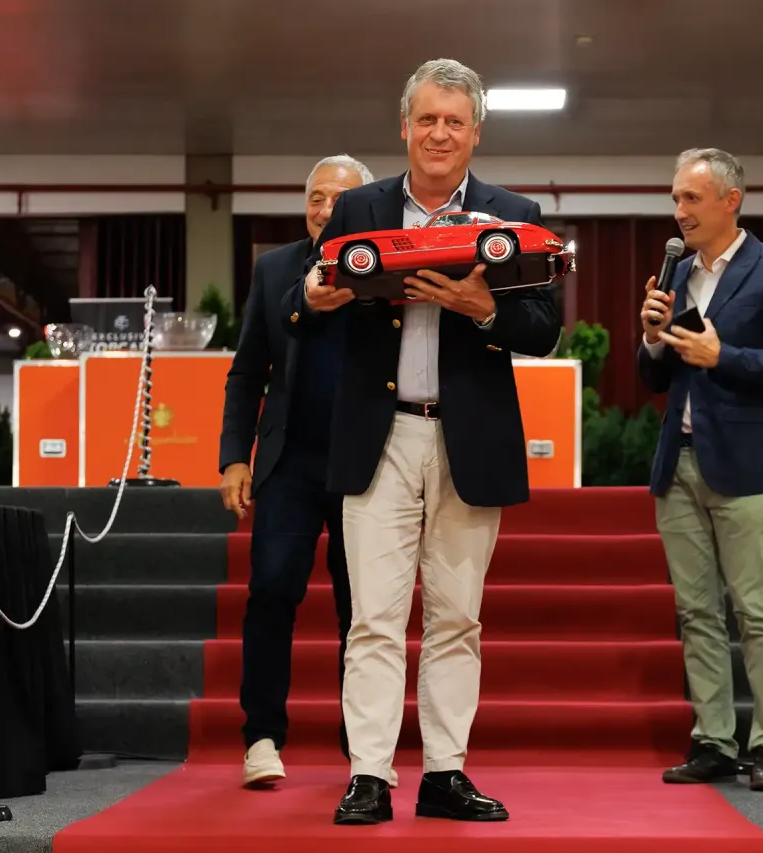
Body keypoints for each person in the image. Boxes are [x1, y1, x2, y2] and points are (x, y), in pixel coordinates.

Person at [281, 58, 561, 825]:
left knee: (457, 617)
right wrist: (313, 296)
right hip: (378, 436)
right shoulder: (357, 208)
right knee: (372, 617)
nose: (440, 133)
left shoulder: (512, 213)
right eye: (428, 119)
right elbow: (306, 303)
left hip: (470, 439)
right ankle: (369, 774)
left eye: (455, 121)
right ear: (405, 127)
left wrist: (482, 307)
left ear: (476, 134)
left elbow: (545, 327)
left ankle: (444, 772)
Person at [637, 148, 763, 793]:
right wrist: (652, 338)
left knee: (755, 609)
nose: (679, 211)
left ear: (730, 200)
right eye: (676, 199)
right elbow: (653, 378)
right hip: (679, 460)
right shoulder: (677, 273)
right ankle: (713, 739)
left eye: (691, 198)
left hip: (746, 464)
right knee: (696, 611)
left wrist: (725, 355)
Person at [217, 154, 379, 789]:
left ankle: (362, 750)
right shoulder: (275, 269)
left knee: (361, 610)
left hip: (366, 464)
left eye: (340, 199)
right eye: (316, 197)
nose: (325, 209)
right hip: (288, 463)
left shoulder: (389, 266)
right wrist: (235, 457)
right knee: (271, 592)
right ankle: (261, 738)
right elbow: (246, 371)